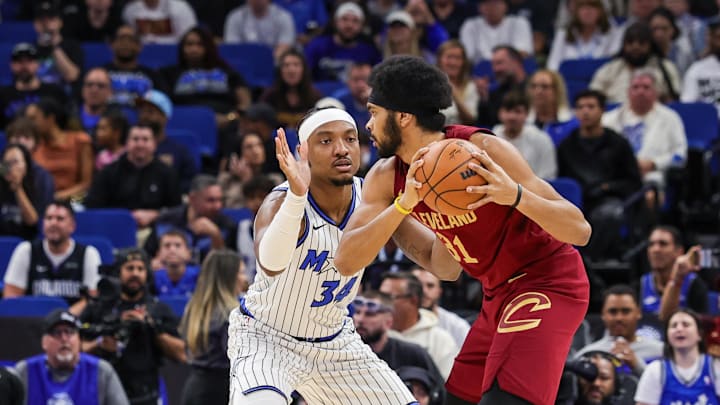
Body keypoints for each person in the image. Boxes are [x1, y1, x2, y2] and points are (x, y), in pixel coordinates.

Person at [335, 55, 591, 405]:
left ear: (403, 118)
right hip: (495, 295)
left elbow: (579, 230)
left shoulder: (482, 151)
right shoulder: (386, 177)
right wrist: (402, 207)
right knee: (457, 399)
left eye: (374, 113)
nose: (368, 125)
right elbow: (354, 262)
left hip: (547, 281)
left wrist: (513, 195)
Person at [226, 107, 416, 404]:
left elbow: (438, 259)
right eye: (325, 141)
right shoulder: (281, 201)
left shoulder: (371, 197)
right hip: (266, 338)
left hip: (335, 343)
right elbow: (271, 265)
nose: (341, 149)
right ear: (304, 152)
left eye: (350, 139)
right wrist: (297, 197)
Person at [80, 248, 186, 405]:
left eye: (140, 269)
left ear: (147, 273)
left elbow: (181, 354)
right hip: (103, 389)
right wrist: (99, 343)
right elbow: (75, 346)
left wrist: (152, 327)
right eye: (130, 268)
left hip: (146, 392)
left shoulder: (158, 309)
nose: (135, 273)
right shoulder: (99, 307)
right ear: (119, 272)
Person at [557, 89, 643, 261]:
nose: (585, 111)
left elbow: (633, 182)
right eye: (580, 107)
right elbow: (561, 180)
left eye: (591, 106)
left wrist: (607, 187)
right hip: (575, 202)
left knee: (609, 214)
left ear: (602, 110)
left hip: (609, 199)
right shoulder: (566, 146)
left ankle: (587, 262)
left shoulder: (619, 143)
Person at [13, 309, 129, 405]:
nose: (64, 339)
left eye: (70, 332)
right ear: (44, 342)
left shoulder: (101, 371)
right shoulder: (24, 371)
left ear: (79, 340)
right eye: (56, 333)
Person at [3, 201, 101, 314]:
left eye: (60, 219)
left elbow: (92, 299)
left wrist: (62, 319)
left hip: (73, 323)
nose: (53, 223)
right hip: (33, 321)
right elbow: (11, 297)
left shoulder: (88, 253)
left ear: (72, 226)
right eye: (49, 218)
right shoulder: (26, 250)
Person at [601, 69, 687, 190]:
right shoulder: (608, 119)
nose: (640, 92)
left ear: (656, 92)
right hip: (615, 175)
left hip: (653, 175)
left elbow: (680, 154)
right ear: (628, 92)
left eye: (646, 87)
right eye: (635, 87)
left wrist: (654, 163)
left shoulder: (670, 118)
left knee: (650, 191)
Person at [83, 123, 182, 228]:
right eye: (135, 139)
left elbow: (178, 210)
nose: (140, 144)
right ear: (127, 143)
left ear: (154, 144)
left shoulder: (168, 173)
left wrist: (156, 215)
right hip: (116, 228)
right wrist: (124, 217)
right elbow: (92, 207)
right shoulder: (109, 172)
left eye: (145, 139)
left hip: (156, 231)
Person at [179, 249, 245, 405]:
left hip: (195, 388)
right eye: (241, 272)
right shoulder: (231, 314)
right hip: (219, 392)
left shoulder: (194, 308)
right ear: (229, 277)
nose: (245, 278)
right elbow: (238, 360)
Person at [159, 26, 251, 126]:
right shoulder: (168, 73)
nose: (194, 49)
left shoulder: (228, 72)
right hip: (183, 122)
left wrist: (229, 118)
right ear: (182, 48)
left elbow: (245, 104)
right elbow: (162, 105)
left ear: (209, 47)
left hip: (225, 124)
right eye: (189, 44)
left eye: (200, 44)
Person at [352, 290, 445, 384]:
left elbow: (439, 391)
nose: (360, 319)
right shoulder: (344, 354)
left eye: (370, 314)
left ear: (389, 322)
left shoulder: (413, 354)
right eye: (358, 312)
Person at [379, 271, 458, 379]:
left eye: (389, 297)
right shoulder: (372, 333)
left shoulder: (441, 339)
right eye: (380, 296)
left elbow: (445, 385)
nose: (380, 303)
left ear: (413, 300)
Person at [143, 174, 237, 261]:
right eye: (211, 200)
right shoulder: (166, 221)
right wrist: (152, 264)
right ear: (192, 199)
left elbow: (227, 267)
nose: (218, 206)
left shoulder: (227, 226)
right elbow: (147, 255)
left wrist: (216, 236)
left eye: (220, 200)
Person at [634, 310, 720, 404]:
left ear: (699, 334)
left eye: (686, 324)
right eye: (674, 326)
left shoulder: (716, 366)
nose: (679, 329)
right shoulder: (655, 370)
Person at [576, 285, 664, 376]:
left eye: (626, 311)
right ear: (603, 314)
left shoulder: (660, 351)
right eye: (613, 311)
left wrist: (636, 364)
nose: (619, 318)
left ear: (638, 313)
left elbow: (666, 386)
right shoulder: (587, 354)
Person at [590, 22, 682, 104]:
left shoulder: (665, 67)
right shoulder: (610, 69)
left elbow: (674, 100)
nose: (635, 47)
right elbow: (593, 98)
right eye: (630, 42)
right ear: (624, 45)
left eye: (641, 43)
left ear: (650, 45)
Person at [26, 98, 94, 201]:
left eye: (34, 118)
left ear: (50, 118)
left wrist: (59, 197)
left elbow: (87, 183)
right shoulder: (34, 146)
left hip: (75, 200)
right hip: (41, 203)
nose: (30, 124)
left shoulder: (80, 141)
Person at [639, 225, 709, 321]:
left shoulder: (694, 284)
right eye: (651, 244)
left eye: (663, 244)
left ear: (679, 251)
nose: (656, 250)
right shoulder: (641, 283)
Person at [0, 42, 68, 129]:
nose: (24, 66)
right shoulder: (2, 94)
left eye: (29, 61)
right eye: (19, 61)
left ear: (38, 64)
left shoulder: (54, 92)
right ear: (12, 65)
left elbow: (63, 124)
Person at [493, 90, 557, 180]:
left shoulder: (542, 139)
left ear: (527, 114)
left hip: (533, 192)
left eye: (517, 111)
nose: (512, 117)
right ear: (500, 113)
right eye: (508, 111)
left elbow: (548, 175)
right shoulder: (490, 138)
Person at [546, 0, 621, 71]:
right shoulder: (563, 34)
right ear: (576, 11)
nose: (587, 12)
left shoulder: (612, 34)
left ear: (601, 11)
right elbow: (553, 65)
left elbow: (613, 65)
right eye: (582, 7)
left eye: (592, 6)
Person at [259, 49, 322, 129]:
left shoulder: (315, 96)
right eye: (286, 65)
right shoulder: (269, 96)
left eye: (296, 65)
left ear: (304, 69)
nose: (291, 70)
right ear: (280, 70)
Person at [411, 267, 470, 348]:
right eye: (418, 286)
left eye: (430, 285)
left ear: (439, 291)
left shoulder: (457, 326)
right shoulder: (395, 321)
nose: (424, 291)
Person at [458, 0, 533, 63]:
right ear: (480, 7)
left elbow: (523, 52)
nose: (491, 7)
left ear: (505, 6)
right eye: (487, 3)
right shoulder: (470, 25)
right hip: (480, 70)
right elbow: (467, 56)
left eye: (496, 2)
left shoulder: (519, 22)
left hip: (510, 67)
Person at [223, 0, 296, 61]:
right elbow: (233, 48)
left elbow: (284, 47)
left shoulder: (283, 17)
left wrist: (265, 63)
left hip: (274, 64)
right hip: (244, 64)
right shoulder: (235, 17)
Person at [0, 144, 43, 240]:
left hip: (28, 242)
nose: (11, 168)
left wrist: (17, 188)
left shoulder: (38, 184)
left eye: (15, 162)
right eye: (6, 163)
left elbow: (32, 221)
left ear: (26, 164)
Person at [681, 19, 720, 118]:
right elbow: (687, 105)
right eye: (718, 37)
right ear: (709, 39)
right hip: (708, 126)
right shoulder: (697, 69)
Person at [436, 40, 479, 126]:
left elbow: (471, 120)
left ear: (463, 62)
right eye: (449, 57)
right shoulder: (428, 85)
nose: (453, 62)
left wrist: (454, 94)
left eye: (458, 58)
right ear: (440, 60)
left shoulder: (470, 87)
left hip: (460, 136)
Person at [122, 0, 197, 44]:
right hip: (142, 52)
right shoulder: (130, 10)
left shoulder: (180, 8)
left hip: (172, 50)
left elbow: (189, 37)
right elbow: (130, 38)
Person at [152, 230, 200, 297]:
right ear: (158, 253)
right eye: (167, 245)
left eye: (178, 245)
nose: (172, 250)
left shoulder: (200, 276)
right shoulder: (152, 278)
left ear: (188, 253)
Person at [78, 68, 114, 136]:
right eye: (89, 84)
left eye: (101, 86)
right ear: (82, 89)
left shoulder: (116, 121)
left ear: (110, 92)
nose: (94, 90)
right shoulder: (69, 116)